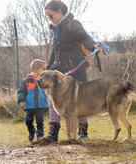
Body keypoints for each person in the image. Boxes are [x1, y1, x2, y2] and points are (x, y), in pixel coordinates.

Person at [44, 0, 99, 141]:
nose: (50, 19)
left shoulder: (72, 24)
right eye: (48, 17)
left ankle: (83, 133)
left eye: (51, 16)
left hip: (75, 70)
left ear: (60, 12)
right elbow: (55, 51)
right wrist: (48, 69)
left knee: (80, 101)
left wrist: (93, 46)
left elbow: (83, 36)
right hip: (58, 71)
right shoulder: (55, 28)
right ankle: (53, 132)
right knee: (53, 99)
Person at [18, 59, 49, 141]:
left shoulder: (44, 80)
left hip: (41, 105)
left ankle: (40, 136)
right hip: (29, 106)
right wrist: (21, 100)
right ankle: (32, 131)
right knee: (28, 121)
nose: (45, 71)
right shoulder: (27, 80)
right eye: (43, 69)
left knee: (40, 121)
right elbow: (21, 91)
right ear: (36, 69)